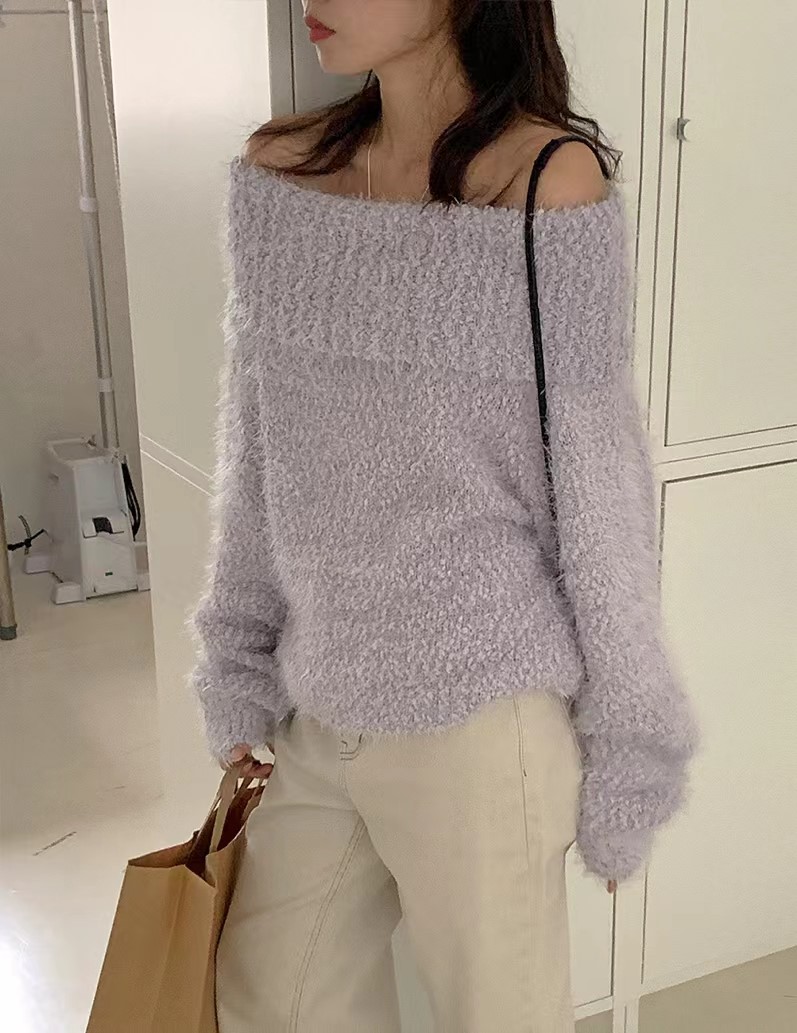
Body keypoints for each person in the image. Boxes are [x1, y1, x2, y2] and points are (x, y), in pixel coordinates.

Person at [185, 2, 701, 1030]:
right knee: (269, 999)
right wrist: (235, 659)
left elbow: (596, 491)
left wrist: (629, 751)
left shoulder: (545, 183)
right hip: (318, 700)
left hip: (482, 719)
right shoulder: (283, 171)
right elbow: (257, 453)